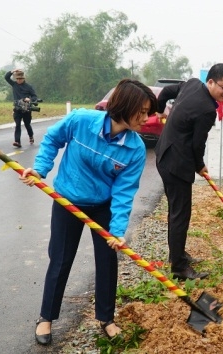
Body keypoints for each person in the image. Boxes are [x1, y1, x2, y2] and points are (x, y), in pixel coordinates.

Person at [17, 79, 157, 345]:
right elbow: (52, 140)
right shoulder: (81, 121)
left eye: (148, 112)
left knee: (107, 261)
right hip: (68, 201)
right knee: (60, 259)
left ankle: (106, 318)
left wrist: (117, 231)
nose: (146, 118)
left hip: (102, 207)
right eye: (142, 111)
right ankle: (46, 317)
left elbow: (124, 192)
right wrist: (40, 169)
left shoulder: (135, 148)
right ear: (124, 107)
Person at [154, 63, 223, 280]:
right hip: (176, 165)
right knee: (181, 214)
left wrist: (160, 108)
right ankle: (179, 267)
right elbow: (197, 144)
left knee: (175, 211)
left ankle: (176, 255)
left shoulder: (190, 84)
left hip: (163, 155)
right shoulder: (207, 110)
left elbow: (167, 92)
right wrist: (199, 165)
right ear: (210, 82)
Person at [5, 69, 38, 148]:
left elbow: (34, 96)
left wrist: (30, 99)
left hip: (26, 109)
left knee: (27, 124)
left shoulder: (28, 87)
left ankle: (31, 136)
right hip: (17, 109)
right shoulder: (14, 85)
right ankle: (17, 141)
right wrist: (13, 71)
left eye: (20, 79)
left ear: (24, 79)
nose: (19, 80)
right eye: (17, 79)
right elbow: (6, 77)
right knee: (18, 125)